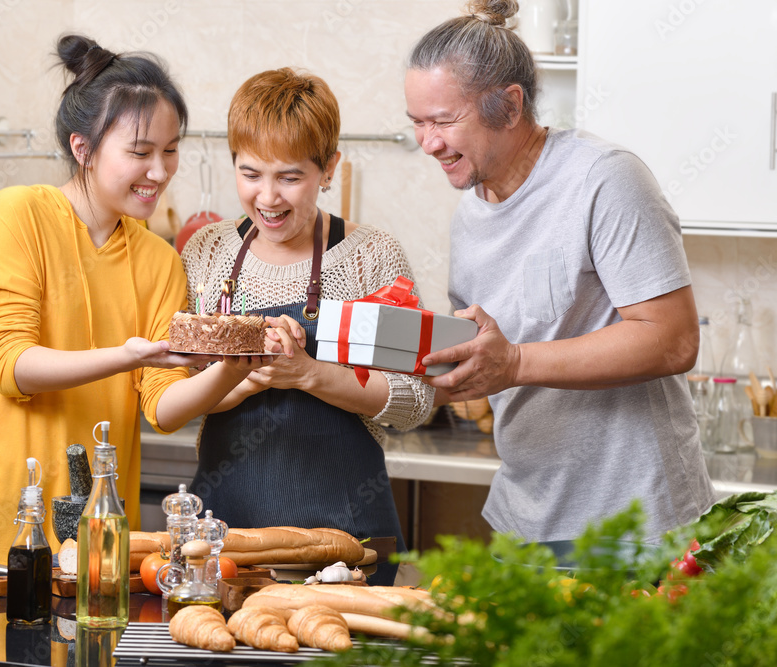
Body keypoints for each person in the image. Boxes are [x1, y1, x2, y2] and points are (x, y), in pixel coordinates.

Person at [0, 35, 271, 564]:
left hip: (97, 530)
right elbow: (10, 366)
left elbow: (162, 407)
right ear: (82, 148)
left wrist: (233, 369)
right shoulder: (17, 216)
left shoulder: (158, 260)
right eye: (140, 152)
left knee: (90, 645)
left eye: (171, 149)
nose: (160, 172)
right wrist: (130, 355)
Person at [405, 0, 715, 543]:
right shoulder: (470, 216)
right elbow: (487, 363)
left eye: (444, 121)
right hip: (524, 522)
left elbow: (673, 340)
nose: (428, 143)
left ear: (509, 104)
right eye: (417, 123)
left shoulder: (604, 180)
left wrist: (516, 362)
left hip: (638, 526)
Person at [181, 68, 434, 580]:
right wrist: (241, 377)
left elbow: (415, 401)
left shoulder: (371, 258)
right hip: (227, 539)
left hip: (349, 540)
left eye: (290, 177)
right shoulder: (205, 254)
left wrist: (308, 374)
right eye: (250, 173)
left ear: (329, 168)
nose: (268, 198)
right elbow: (173, 393)